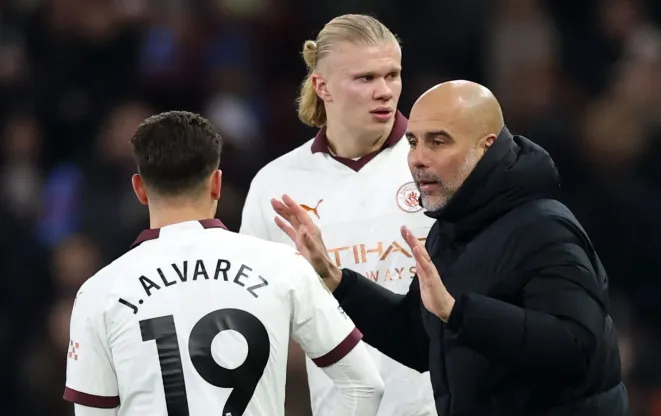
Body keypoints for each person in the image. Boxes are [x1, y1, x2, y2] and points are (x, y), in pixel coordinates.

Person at [271, 80, 630, 415]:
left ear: (485, 146)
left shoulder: (544, 228)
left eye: (438, 142)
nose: (417, 159)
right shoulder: (450, 227)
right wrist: (334, 278)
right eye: (413, 142)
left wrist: (459, 313)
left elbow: (576, 348)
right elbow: (419, 339)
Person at [63, 111, 384, 416]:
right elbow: (364, 386)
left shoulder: (99, 292)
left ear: (140, 189)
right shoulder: (283, 266)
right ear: (217, 183)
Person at [240, 14, 437, 416]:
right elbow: (255, 318)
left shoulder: (435, 165)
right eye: (365, 79)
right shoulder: (274, 185)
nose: (384, 91)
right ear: (322, 86)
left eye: (392, 75)